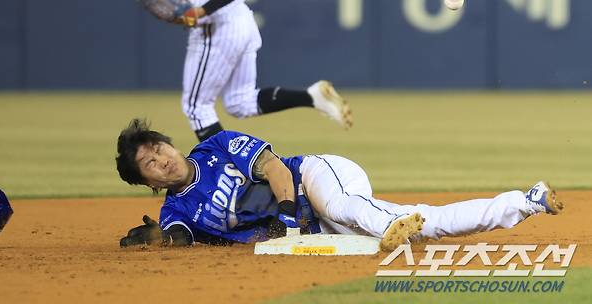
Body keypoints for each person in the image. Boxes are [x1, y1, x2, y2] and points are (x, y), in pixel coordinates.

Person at [115, 119, 564, 251]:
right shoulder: (176, 211)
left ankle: (393, 228)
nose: (161, 159)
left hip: (315, 179)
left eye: (157, 147)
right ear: (148, 184)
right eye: (149, 164)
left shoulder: (216, 147)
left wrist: (289, 212)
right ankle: (523, 202)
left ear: (169, 143)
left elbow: (273, 168)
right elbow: (177, 237)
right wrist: (158, 237)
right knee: (429, 226)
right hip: (316, 228)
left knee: (348, 208)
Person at [144, 0, 353, 141]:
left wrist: (201, 10)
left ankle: (228, 169)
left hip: (216, 25)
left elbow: (191, 12)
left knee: (196, 106)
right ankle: (311, 97)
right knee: (239, 102)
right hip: (240, 20)